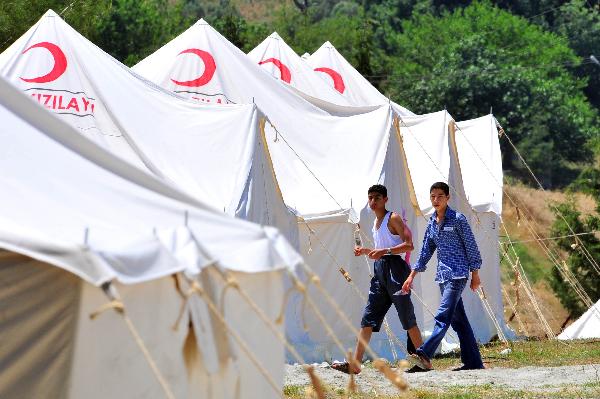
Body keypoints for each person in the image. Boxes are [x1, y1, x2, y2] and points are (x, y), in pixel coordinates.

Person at [332, 184, 424, 374]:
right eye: (370, 198)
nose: (373, 202)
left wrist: (385, 251)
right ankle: (355, 365)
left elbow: (409, 245)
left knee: (407, 316)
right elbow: (382, 248)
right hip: (380, 270)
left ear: (385, 200)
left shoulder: (394, 218)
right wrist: (367, 251)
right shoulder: (375, 223)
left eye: (377, 198)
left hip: (396, 269)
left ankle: (425, 360)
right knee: (368, 317)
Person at [402, 182, 485, 371]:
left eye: (440, 196)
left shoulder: (458, 219)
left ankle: (425, 351)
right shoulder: (432, 222)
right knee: (459, 322)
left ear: (448, 198)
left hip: (457, 275)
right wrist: (411, 276)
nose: (436, 200)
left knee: (443, 315)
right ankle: (474, 362)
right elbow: (425, 252)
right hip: (442, 276)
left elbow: (471, 247)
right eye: (433, 196)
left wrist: (475, 275)